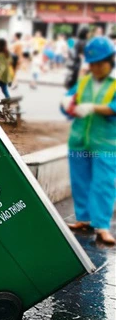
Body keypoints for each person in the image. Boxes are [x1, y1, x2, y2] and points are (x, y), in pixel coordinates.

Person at [61, 36, 116, 245]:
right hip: (79, 141)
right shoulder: (83, 82)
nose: (96, 67)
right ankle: (84, 219)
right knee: (80, 182)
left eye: (100, 63)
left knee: (103, 184)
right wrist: (67, 103)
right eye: (92, 63)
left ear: (110, 61)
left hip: (106, 144)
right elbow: (69, 101)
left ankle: (102, 226)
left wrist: (93, 108)